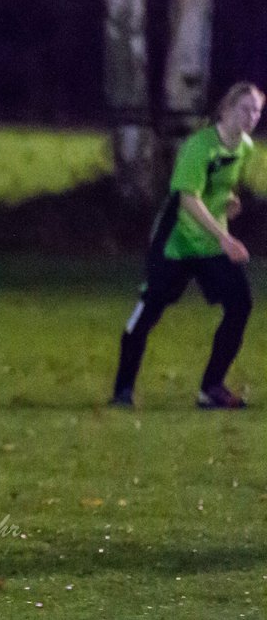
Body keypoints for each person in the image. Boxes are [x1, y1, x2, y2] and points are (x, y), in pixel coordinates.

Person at [110, 81, 264, 409]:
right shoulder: (199, 146)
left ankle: (211, 389)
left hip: (208, 244)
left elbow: (215, 187)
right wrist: (225, 237)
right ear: (226, 109)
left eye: (257, 111)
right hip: (176, 243)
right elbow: (187, 198)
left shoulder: (245, 147)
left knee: (240, 304)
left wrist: (229, 201)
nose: (251, 116)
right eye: (244, 109)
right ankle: (122, 389)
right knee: (148, 311)